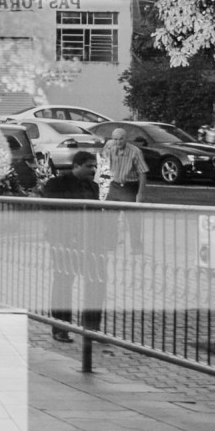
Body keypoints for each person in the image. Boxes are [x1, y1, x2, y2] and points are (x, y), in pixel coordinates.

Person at [39, 150, 111, 341]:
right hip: (66, 242)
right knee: (64, 282)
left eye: (94, 166)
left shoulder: (93, 187)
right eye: (88, 166)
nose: (93, 169)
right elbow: (50, 213)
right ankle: (61, 327)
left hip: (91, 243)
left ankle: (91, 328)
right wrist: (60, 238)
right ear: (76, 166)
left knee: (97, 282)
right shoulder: (57, 184)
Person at [101, 126, 148, 254]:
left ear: (126, 139)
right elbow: (104, 164)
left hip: (130, 186)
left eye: (121, 139)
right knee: (109, 218)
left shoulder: (135, 152)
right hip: (115, 185)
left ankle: (136, 247)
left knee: (133, 220)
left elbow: (143, 173)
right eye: (115, 139)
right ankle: (110, 245)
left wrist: (140, 193)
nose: (118, 142)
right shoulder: (110, 149)